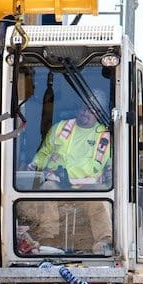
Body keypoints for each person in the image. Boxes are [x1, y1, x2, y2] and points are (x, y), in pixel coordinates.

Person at [17, 102, 113, 255]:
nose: (85, 113)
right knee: (47, 190)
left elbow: (112, 162)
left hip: (87, 188)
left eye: (91, 110)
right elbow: (44, 153)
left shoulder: (105, 136)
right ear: (77, 109)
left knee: (101, 197)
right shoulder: (60, 128)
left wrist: (111, 169)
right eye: (83, 108)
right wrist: (35, 164)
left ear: (98, 114)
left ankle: (104, 242)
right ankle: (48, 240)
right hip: (58, 183)